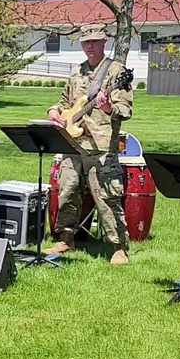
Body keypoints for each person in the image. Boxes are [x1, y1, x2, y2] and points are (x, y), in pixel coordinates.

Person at [45, 24, 133, 266]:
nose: (90, 46)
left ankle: (119, 246)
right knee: (67, 191)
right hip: (72, 142)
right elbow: (65, 101)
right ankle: (66, 238)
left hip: (101, 146)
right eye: (86, 42)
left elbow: (125, 110)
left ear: (105, 42)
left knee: (107, 197)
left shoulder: (117, 72)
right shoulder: (77, 72)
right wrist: (55, 110)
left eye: (95, 41)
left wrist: (107, 107)